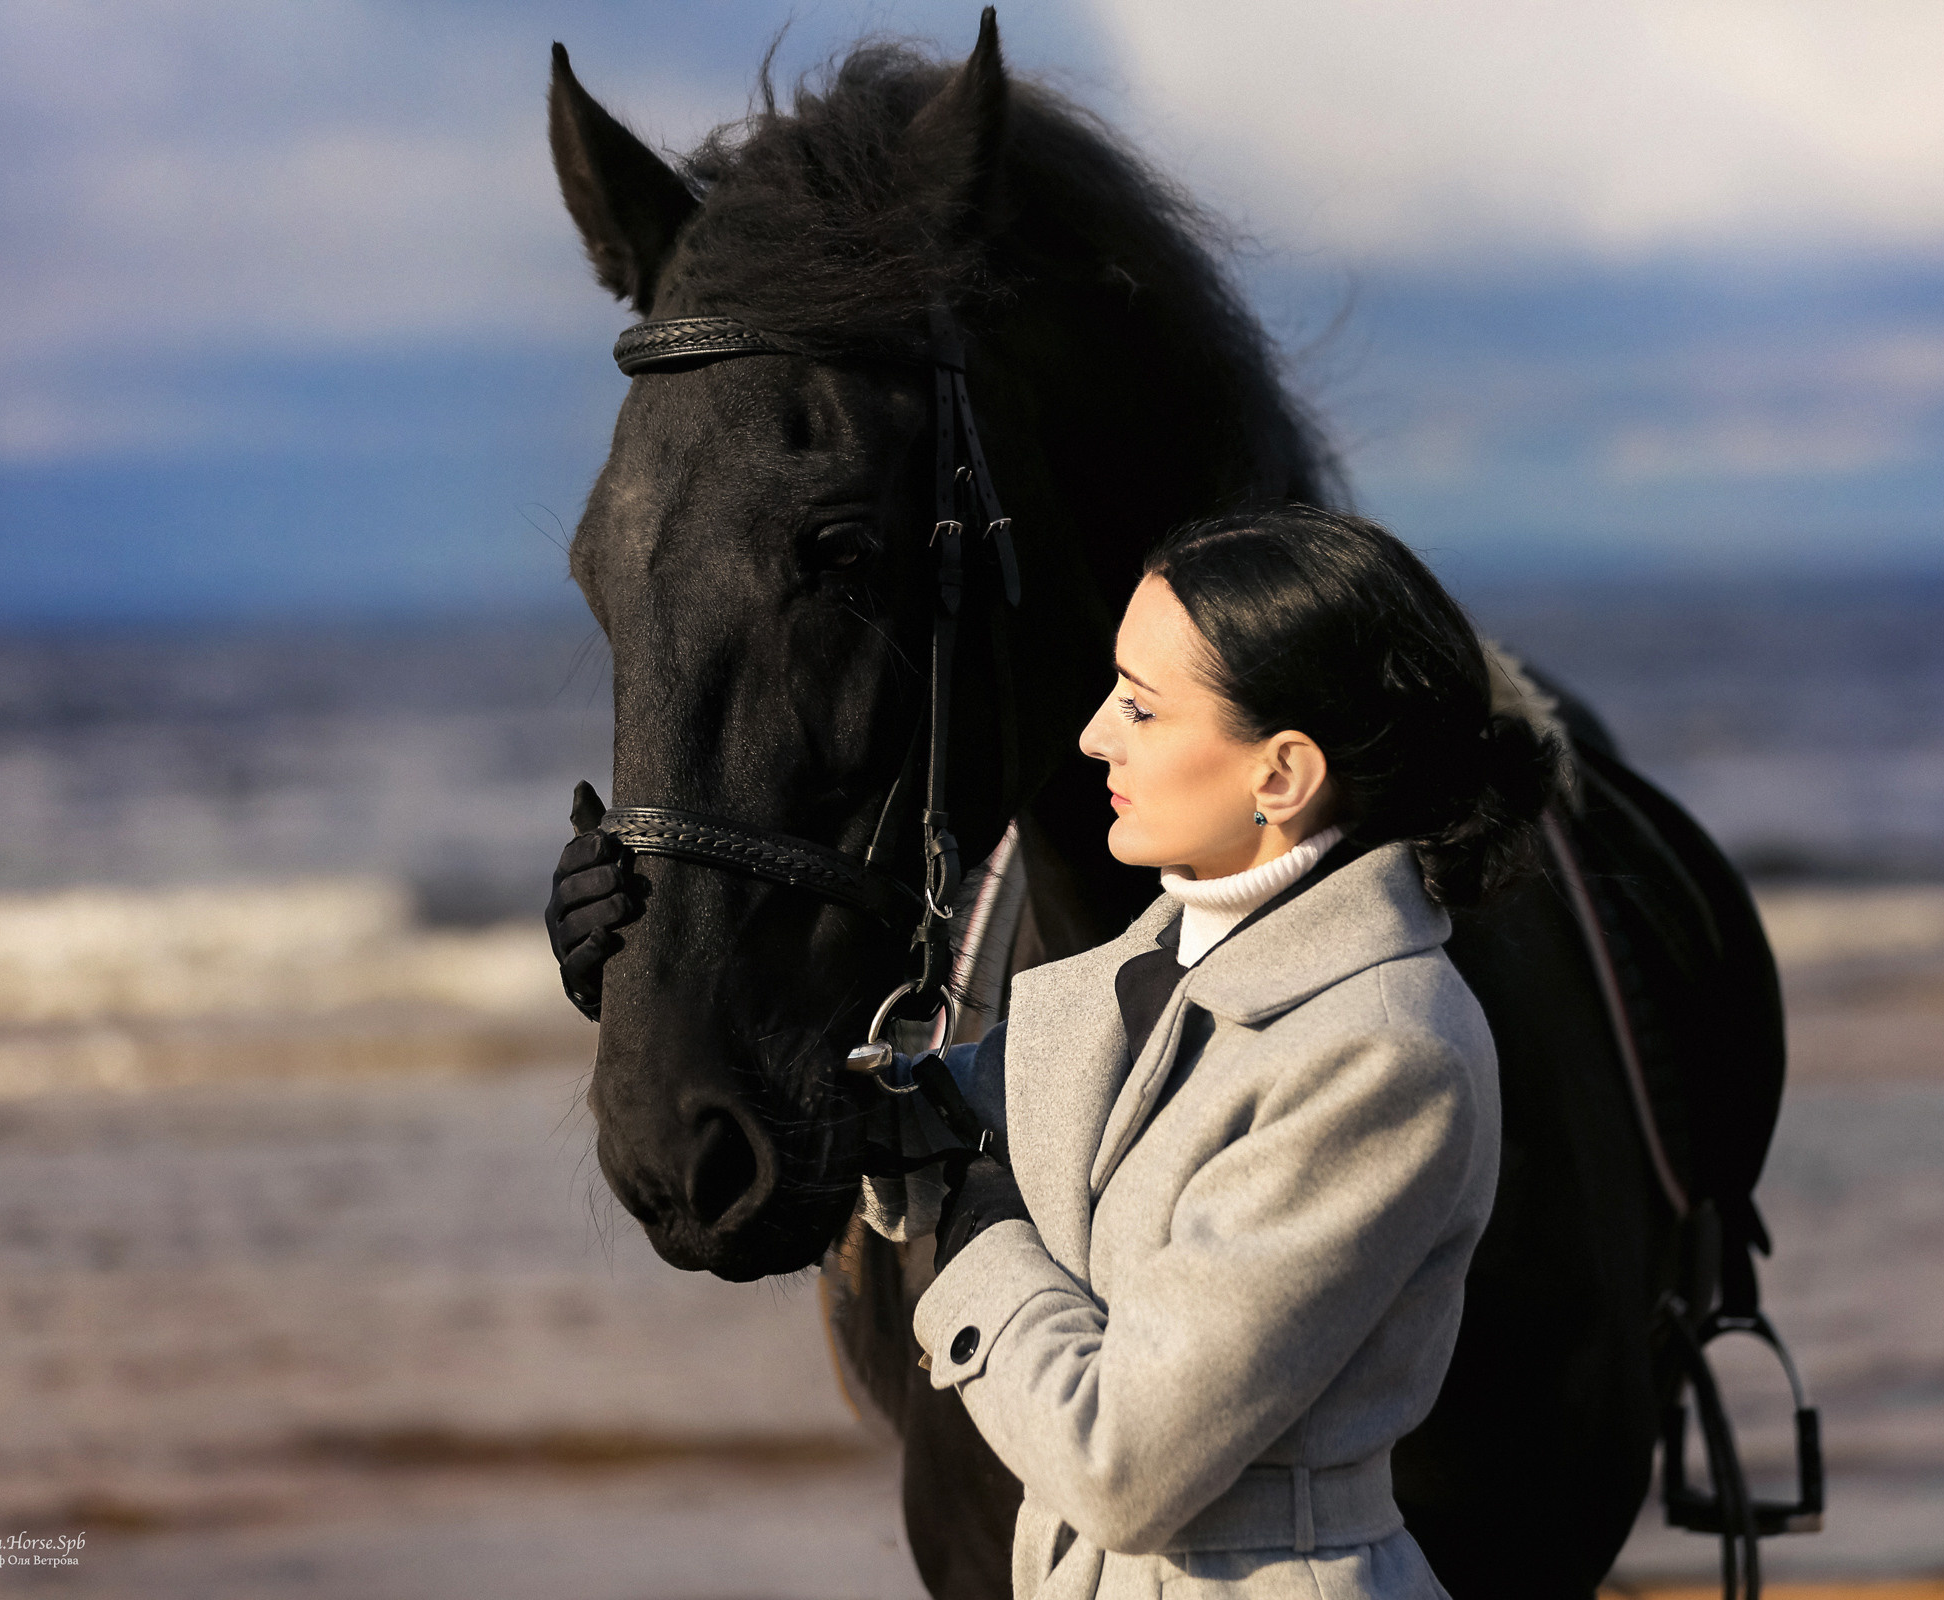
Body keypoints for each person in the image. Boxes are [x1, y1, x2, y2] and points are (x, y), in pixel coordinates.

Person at [552, 505, 1564, 1600]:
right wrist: (642, 960)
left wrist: (973, 1212)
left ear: (1281, 776)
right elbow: (898, 1118)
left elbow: (1121, 1464)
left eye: (1140, 704)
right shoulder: (1154, 973)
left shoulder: (1381, 1055)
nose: (1092, 735)